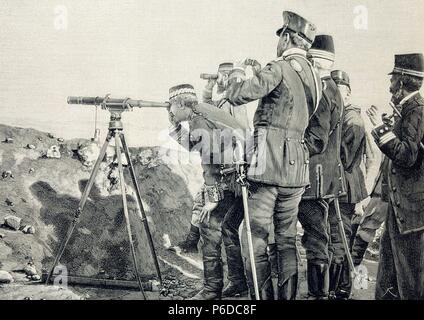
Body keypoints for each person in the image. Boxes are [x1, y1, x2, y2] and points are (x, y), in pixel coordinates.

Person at [224, 11, 321, 300]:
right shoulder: (313, 75)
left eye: (280, 37)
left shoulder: (279, 67)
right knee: (287, 239)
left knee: (253, 237)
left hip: (268, 165)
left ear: (287, 37)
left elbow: (237, 94)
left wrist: (238, 73)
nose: (278, 42)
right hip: (296, 170)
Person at [167, 84, 248, 299]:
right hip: (244, 176)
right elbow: (198, 145)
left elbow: (210, 160)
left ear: (182, 104)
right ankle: (239, 283)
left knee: (208, 226)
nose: (171, 111)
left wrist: (212, 198)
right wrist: (176, 128)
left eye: (172, 106)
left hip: (230, 177)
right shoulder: (203, 111)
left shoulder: (198, 119)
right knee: (229, 226)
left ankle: (212, 291)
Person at [366, 53, 424, 300]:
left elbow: (408, 156)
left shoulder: (416, 111)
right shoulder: (408, 110)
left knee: (409, 279)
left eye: (393, 80)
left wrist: (381, 132)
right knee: (389, 276)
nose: (390, 86)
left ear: (401, 81)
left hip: (411, 211)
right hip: (400, 208)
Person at [297, 35, 345, 300]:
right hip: (321, 178)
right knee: (318, 236)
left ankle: (318, 294)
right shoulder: (332, 89)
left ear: (314, 62)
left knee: (315, 238)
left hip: (312, 178)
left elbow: (316, 139)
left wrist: (290, 150)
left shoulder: (323, 92)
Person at [329, 70, 368, 299]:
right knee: (338, 239)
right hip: (339, 186)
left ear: (348, 92)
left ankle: (341, 290)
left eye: (339, 91)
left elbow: (343, 158)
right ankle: (337, 288)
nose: (335, 96)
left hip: (345, 188)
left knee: (341, 241)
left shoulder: (352, 120)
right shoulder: (341, 116)